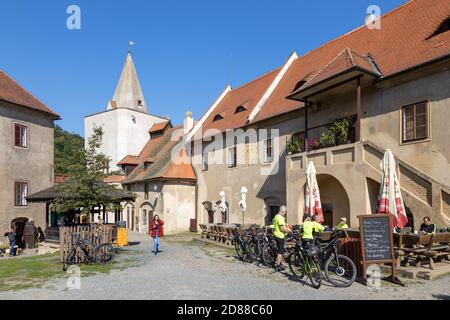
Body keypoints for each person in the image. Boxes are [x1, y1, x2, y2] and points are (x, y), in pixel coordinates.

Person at [272, 205, 291, 271]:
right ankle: (278, 265)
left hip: (276, 234)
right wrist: (288, 231)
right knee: (280, 251)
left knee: (279, 250)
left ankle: (279, 263)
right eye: (285, 211)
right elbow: (282, 228)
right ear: (283, 211)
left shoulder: (276, 216)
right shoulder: (280, 217)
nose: (285, 213)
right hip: (280, 236)